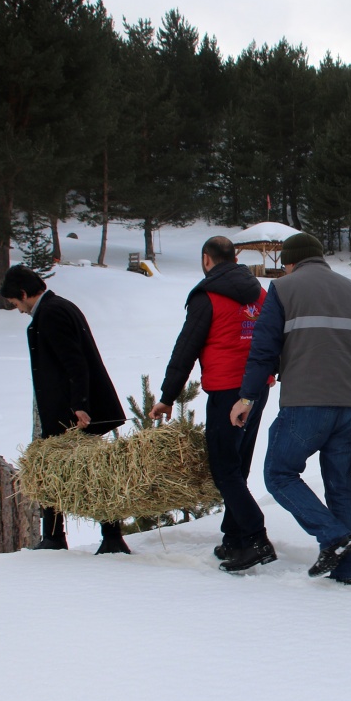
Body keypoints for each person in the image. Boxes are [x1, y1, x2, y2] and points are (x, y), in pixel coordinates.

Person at [227, 232, 351, 584]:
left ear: (290, 262)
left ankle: (332, 537)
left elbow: (263, 349)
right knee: (340, 487)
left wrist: (245, 398)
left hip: (304, 405)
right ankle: (346, 572)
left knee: (279, 475)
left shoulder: (283, 289)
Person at [150, 236, 272, 563]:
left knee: (223, 468)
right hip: (257, 389)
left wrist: (167, 397)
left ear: (207, 259)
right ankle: (234, 538)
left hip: (227, 390)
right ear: (234, 258)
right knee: (238, 465)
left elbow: (186, 348)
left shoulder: (208, 297)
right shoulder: (260, 294)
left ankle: (256, 539)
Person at [0, 265, 131, 555]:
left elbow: (75, 362)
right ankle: (80, 534)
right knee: (70, 469)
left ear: (23, 294)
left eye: (16, 303)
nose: (18, 310)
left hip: (70, 412)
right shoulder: (61, 306)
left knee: (77, 470)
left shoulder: (51, 313)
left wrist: (79, 406)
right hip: (70, 408)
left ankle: (78, 536)